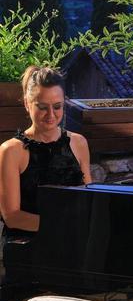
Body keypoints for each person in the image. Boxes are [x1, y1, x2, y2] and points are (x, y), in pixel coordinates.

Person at [0, 66, 91, 243]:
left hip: (74, 242)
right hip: (27, 246)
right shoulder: (10, 151)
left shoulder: (79, 143)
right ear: (27, 103)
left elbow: (89, 199)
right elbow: (11, 216)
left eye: (57, 107)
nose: (51, 115)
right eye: (42, 107)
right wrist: (62, 224)